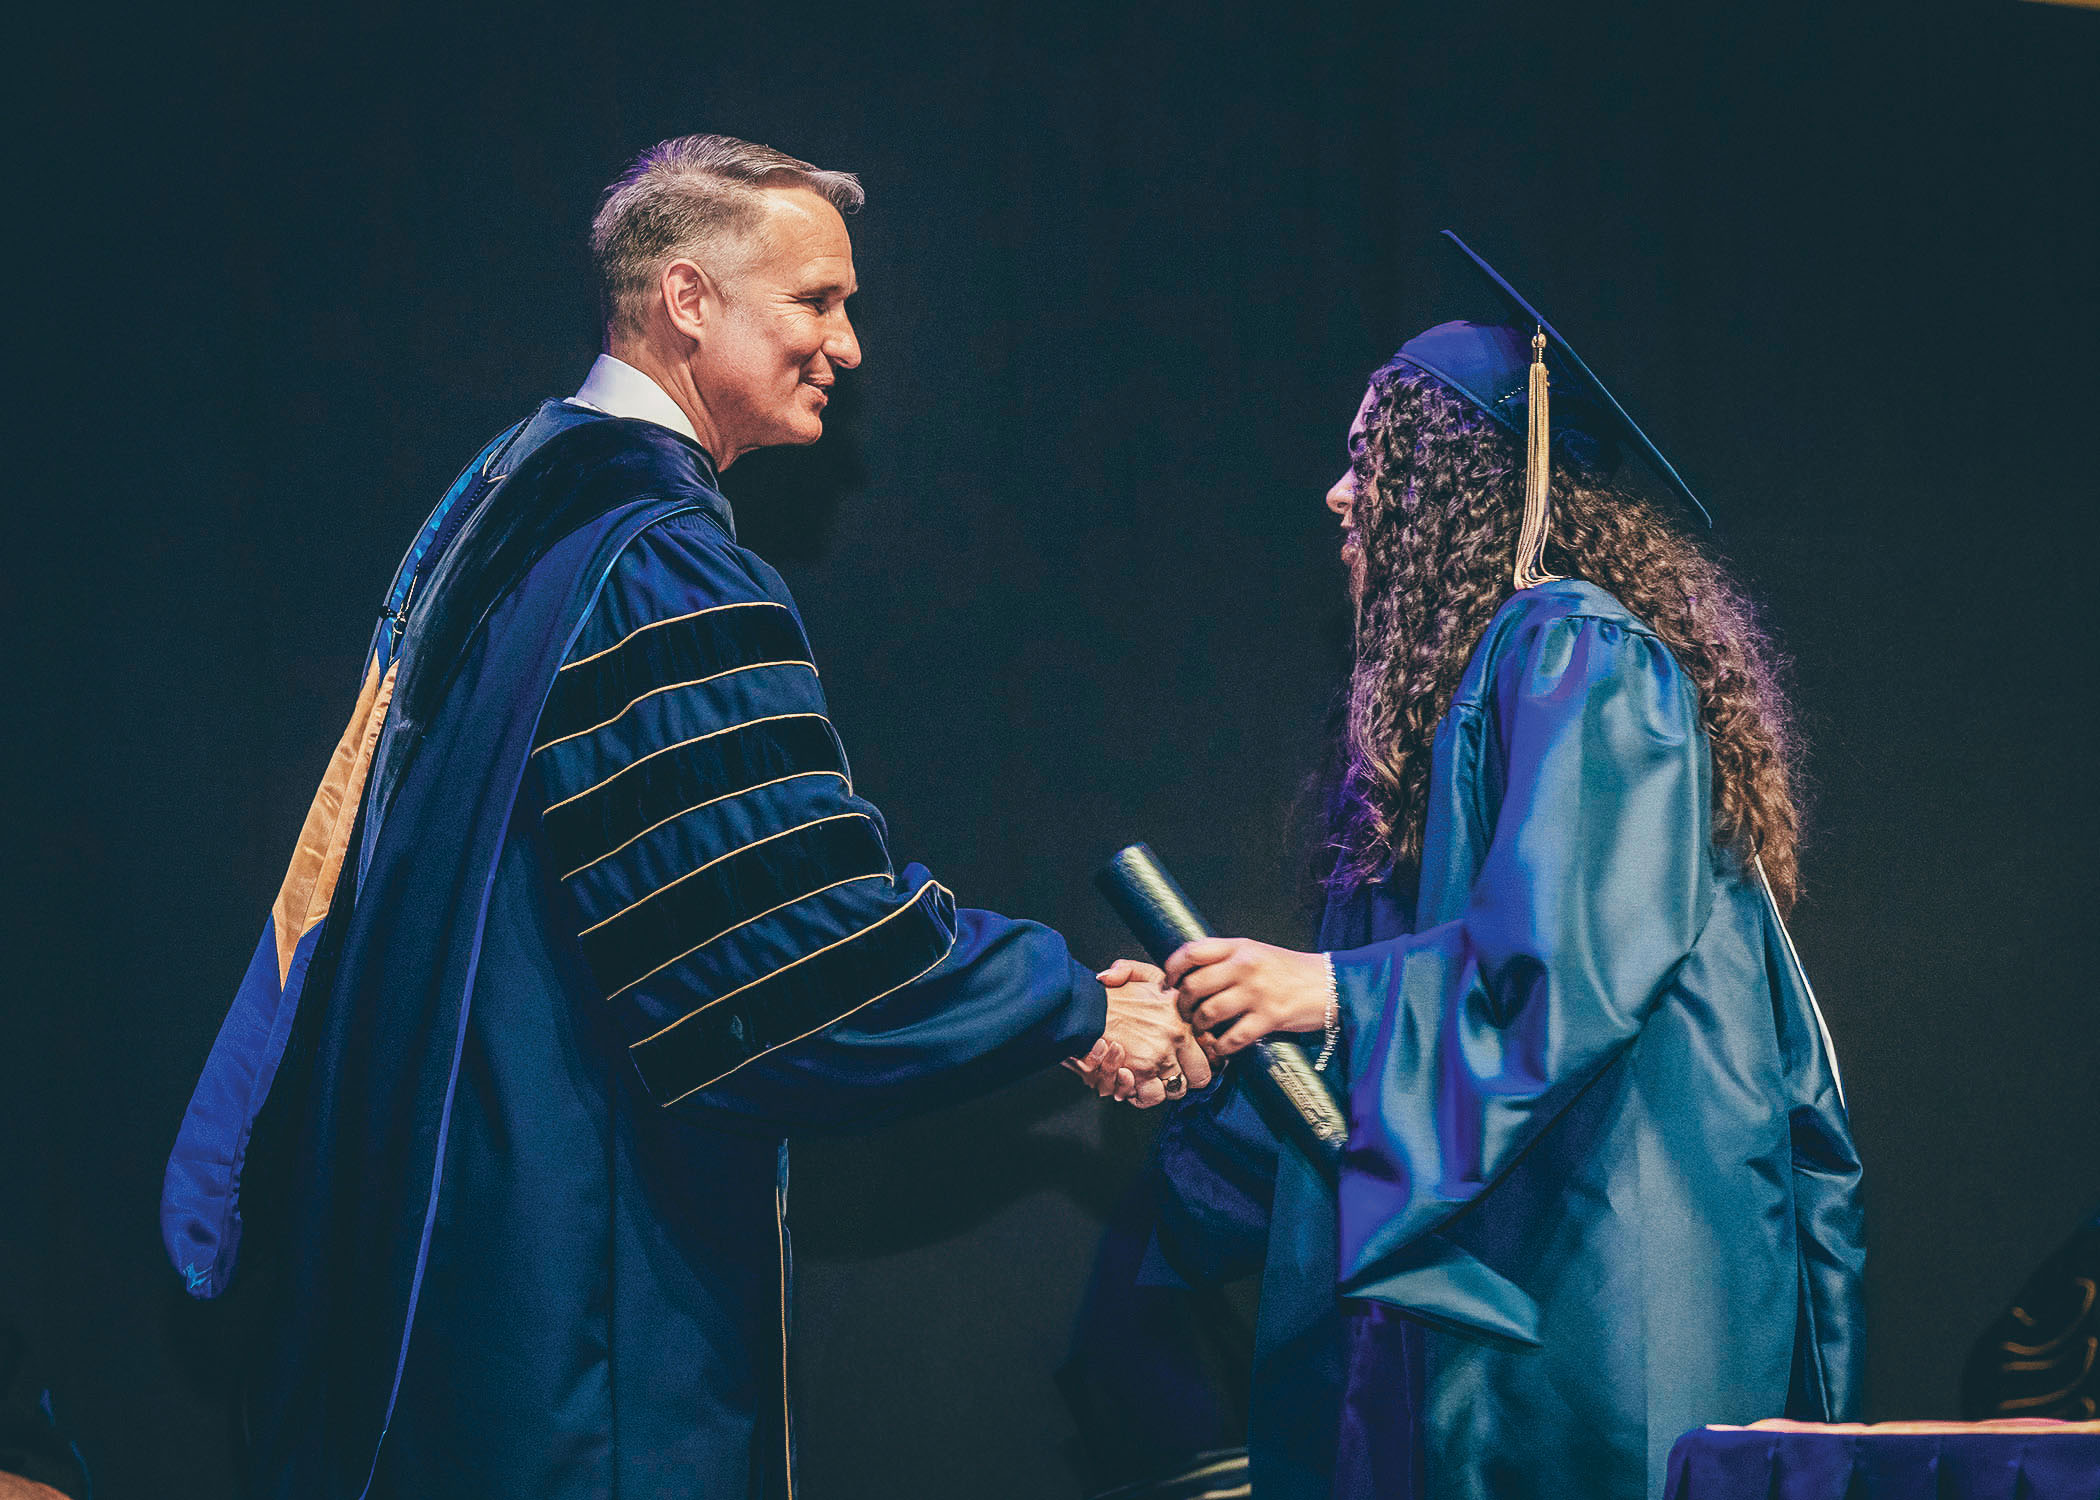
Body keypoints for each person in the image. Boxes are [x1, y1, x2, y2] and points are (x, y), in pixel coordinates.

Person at [160, 133, 1205, 1499]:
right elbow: (785, 944)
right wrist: (1073, 1006)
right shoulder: (664, 563)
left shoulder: (506, 493)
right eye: (816, 302)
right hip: (568, 1267)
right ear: (690, 301)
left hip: (431, 1222)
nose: (851, 343)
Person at [1137, 235, 1866, 1500]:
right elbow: (1391, 1066)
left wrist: (1331, 993)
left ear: (1462, 486)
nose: (1338, 495)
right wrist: (1225, 1047)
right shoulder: (1439, 726)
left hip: (1603, 1281)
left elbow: (1562, 970)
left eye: (1373, 461)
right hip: (1496, 1292)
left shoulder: (1577, 655)